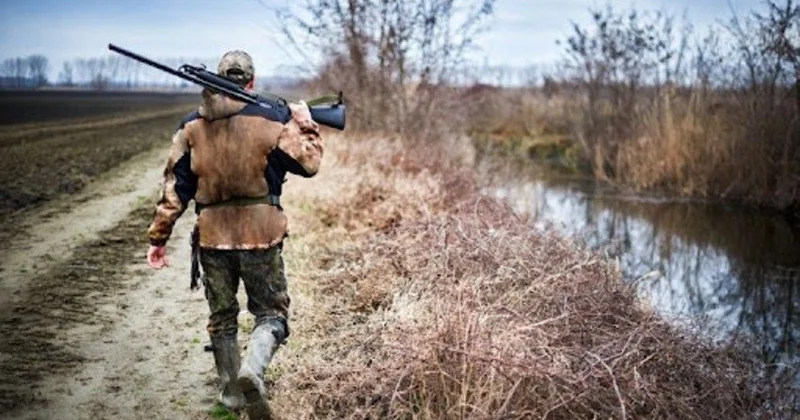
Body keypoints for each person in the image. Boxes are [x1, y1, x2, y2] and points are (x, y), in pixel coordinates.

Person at [145, 50, 323, 419]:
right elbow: (310, 164)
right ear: (252, 82)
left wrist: (158, 238)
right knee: (271, 316)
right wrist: (305, 123)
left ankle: (231, 399)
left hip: (213, 239)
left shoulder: (190, 126)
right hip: (263, 234)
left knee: (222, 319)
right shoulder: (273, 119)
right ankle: (251, 372)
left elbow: (174, 189)